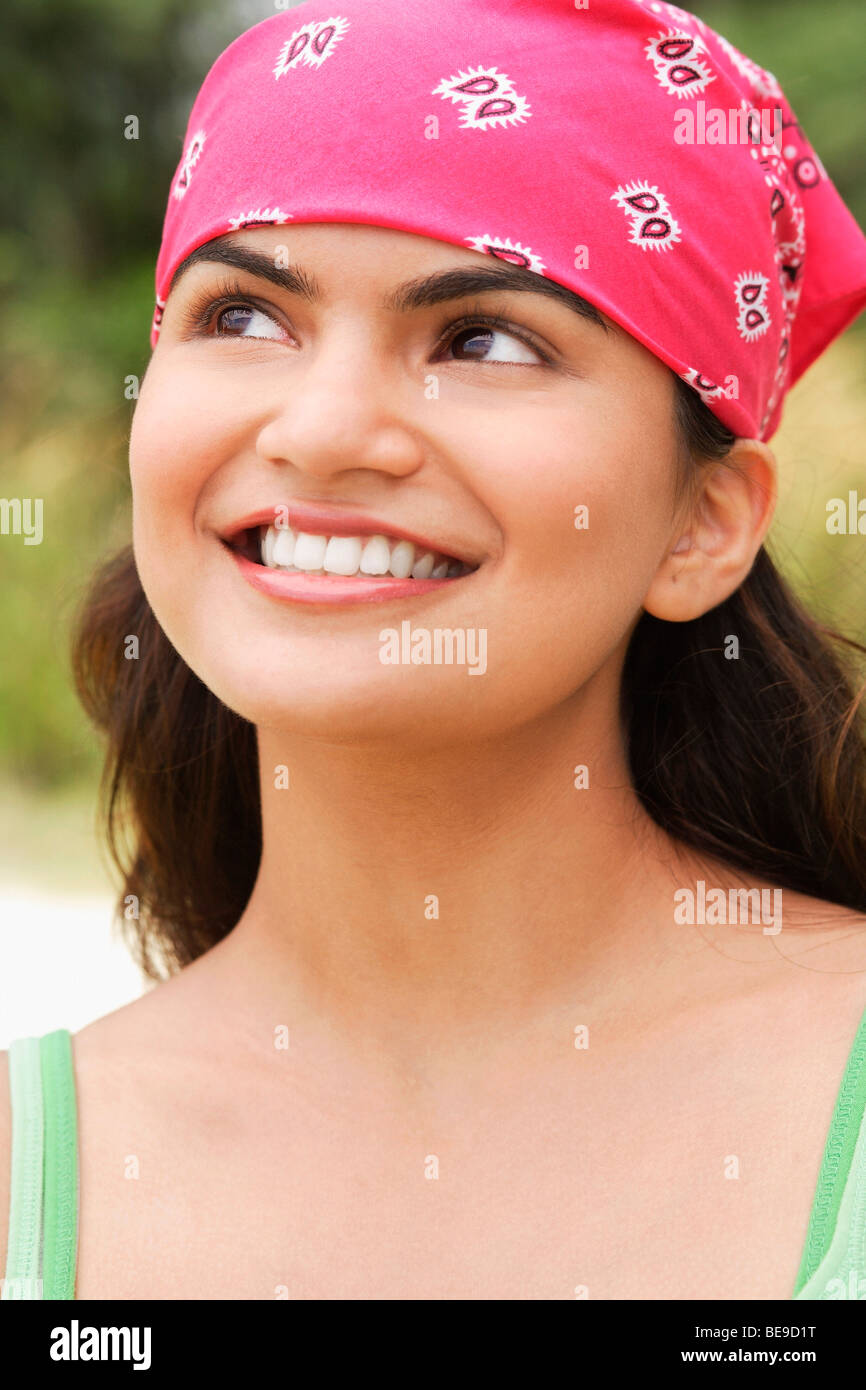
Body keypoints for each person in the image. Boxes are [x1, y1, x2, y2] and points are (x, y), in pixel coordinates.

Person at [3, 0, 866, 1301]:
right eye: (243, 317)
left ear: (701, 525)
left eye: (484, 340)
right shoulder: (26, 1169)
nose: (324, 429)